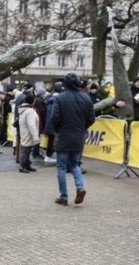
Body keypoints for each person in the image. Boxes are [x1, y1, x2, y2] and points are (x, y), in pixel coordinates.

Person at [51, 73, 95, 206]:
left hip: (63, 135)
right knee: (75, 164)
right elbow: (91, 118)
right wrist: (82, 127)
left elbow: (54, 117)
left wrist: (57, 130)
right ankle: (80, 187)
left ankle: (63, 196)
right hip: (78, 136)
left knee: (61, 166)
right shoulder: (86, 98)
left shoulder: (60, 98)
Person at [17, 94, 41, 173]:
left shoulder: (24, 109)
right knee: (26, 149)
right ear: (32, 101)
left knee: (27, 149)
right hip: (29, 133)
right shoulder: (30, 111)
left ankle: (27, 165)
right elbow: (31, 124)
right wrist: (35, 137)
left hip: (25, 131)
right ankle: (23, 166)